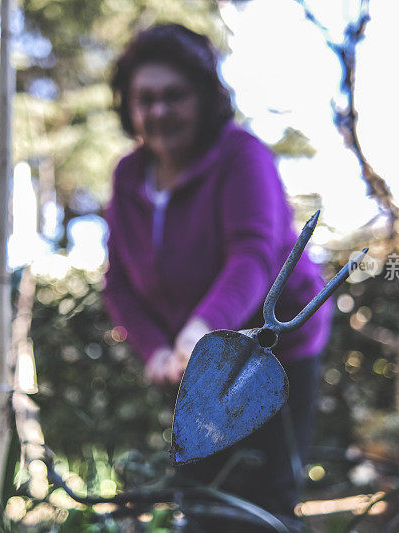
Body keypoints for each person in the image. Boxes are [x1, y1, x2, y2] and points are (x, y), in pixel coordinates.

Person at [102, 23, 333, 519]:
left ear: (205, 97)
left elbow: (255, 255)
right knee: (203, 493)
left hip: (274, 351)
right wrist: (157, 349)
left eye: (174, 95)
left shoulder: (241, 157)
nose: (158, 111)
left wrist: (201, 332)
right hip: (193, 360)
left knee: (264, 502)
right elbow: (117, 282)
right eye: (145, 98)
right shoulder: (128, 176)